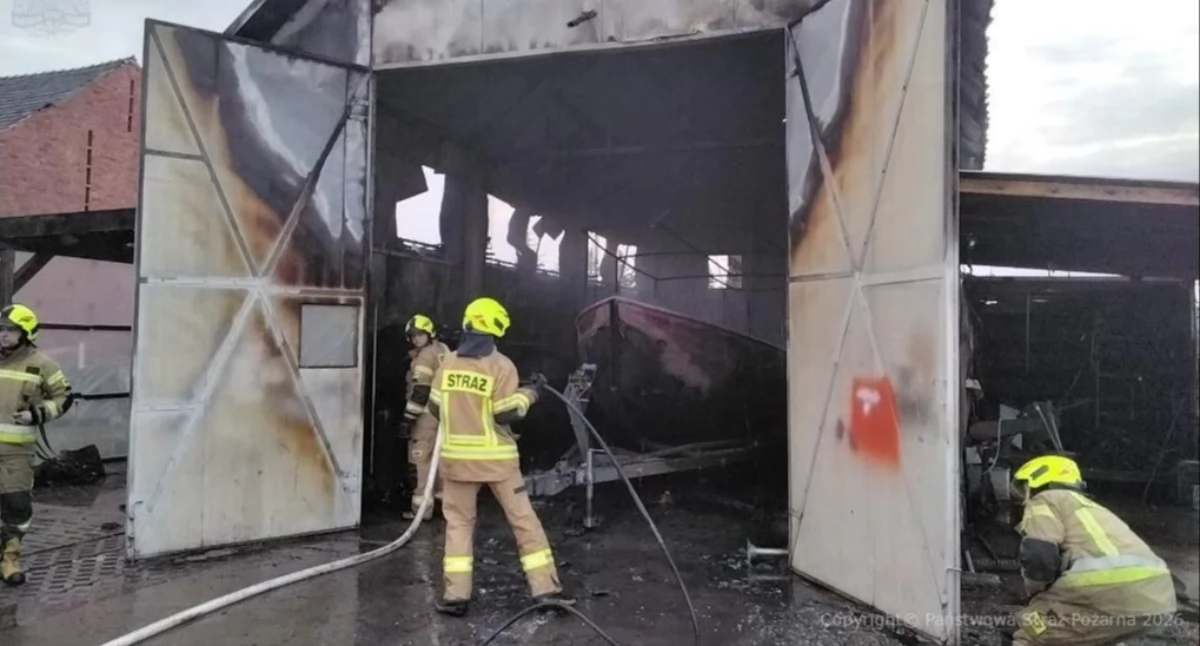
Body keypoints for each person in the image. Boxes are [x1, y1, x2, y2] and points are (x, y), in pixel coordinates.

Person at [427, 297, 574, 617]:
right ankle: (546, 590)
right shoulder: (500, 365)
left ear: (468, 323)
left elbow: (435, 408)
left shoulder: (447, 364)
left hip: (456, 464)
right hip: (498, 464)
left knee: (458, 527)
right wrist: (532, 392)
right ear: (494, 328)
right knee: (524, 523)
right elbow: (506, 413)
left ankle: (455, 597)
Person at [1006, 454, 1177, 645]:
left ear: (1036, 482)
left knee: (1031, 626)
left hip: (1105, 594)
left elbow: (1039, 554)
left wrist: (1035, 590)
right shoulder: (1093, 509)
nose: (1023, 501)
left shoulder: (1045, 499)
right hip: (1157, 598)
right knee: (1094, 635)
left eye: (1024, 491)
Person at [1, 304, 74, 586]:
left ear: (26, 332)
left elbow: (63, 398)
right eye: (1, 330)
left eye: (10, 330)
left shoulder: (41, 364)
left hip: (16, 453)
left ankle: (10, 558)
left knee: (17, 506)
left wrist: (37, 414)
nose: (3, 335)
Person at [401, 314, 448, 521]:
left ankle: (421, 510)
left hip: (426, 418)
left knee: (420, 461)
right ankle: (442, 506)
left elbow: (420, 390)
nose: (416, 339)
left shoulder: (425, 357)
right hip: (444, 417)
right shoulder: (444, 351)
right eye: (413, 336)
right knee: (441, 462)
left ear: (429, 334)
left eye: (420, 335)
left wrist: (407, 419)